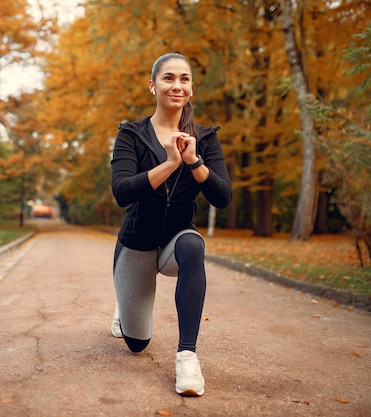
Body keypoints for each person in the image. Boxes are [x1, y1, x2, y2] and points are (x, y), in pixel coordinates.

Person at [109, 52, 232, 397]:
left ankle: (187, 356)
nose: (177, 85)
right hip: (136, 243)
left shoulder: (205, 139)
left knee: (194, 244)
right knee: (136, 344)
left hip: (175, 243)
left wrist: (193, 162)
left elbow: (223, 197)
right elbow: (121, 191)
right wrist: (169, 162)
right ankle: (124, 304)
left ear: (191, 88)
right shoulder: (131, 135)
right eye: (168, 78)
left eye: (184, 79)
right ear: (153, 86)